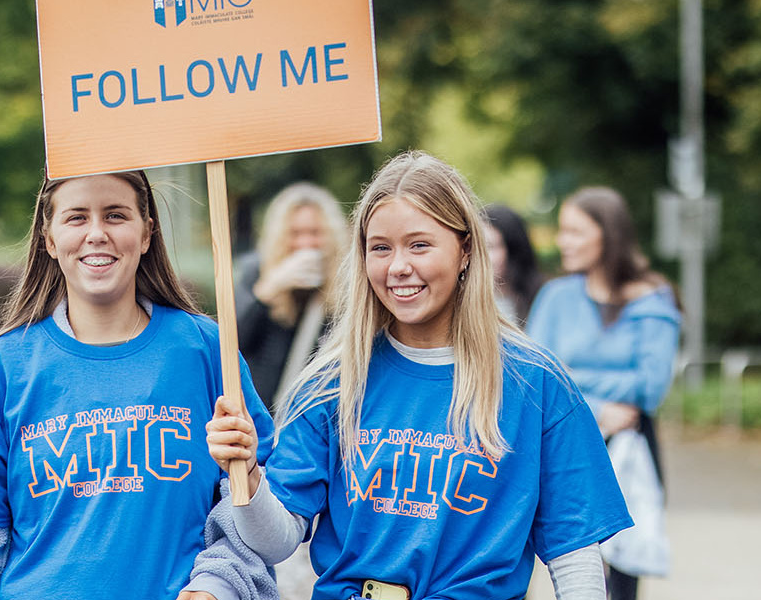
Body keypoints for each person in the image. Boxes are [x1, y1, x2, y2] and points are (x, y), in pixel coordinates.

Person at [206, 151, 631, 600]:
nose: (398, 266)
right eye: (381, 247)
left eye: (420, 245)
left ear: (466, 249)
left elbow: (575, 557)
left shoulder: (537, 383)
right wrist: (248, 475)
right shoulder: (331, 381)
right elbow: (275, 541)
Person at [0, 171, 277, 600]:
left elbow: (258, 511)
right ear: (49, 239)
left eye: (116, 215)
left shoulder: (207, 350)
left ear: (147, 233)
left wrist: (218, 587)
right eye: (76, 218)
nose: (97, 234)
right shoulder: (2, 368)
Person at [526, 186, 682, 600]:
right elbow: (538, 376)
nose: (563, 242)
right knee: (569, 555)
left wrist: (575, 378)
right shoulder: (556, 297)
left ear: (608, 235)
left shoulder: (652, 299)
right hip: (566, 441)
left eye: (575, 232)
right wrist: (595, 407)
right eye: (562, 231)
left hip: (631, 443)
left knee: (625, 563)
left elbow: (651, 385)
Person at [235, 182, 348, 410]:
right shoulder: (255, 272)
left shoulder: (345, 281)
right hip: (263, 417)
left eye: (315, 233)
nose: (305, 243)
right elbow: (233, 344)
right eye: (295, 233)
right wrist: (269, 289)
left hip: (316, 417)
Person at [481, 204, 546, 328]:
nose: (483, 256)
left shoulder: (544, 298)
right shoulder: (465, 304)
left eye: (491, 246)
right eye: (479, 246)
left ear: (513, 249)